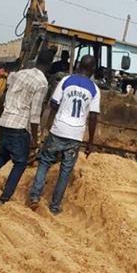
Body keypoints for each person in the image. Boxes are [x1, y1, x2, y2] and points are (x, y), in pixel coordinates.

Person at [0, 51, 49, 205]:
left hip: (5, 121)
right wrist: (35, 139)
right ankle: (4, 199)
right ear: (48, 66)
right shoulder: (42, 83)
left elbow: (6, 93)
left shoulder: (19, 74)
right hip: (19, 126)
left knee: (3, 155)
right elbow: (34, 114)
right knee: (20, 163)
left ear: (36, 61)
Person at [29, 55, 100, 215]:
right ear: (93, 69)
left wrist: (47, 127)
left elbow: (53, 105)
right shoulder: (95, 90)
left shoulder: (66, 81)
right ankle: (54, 207)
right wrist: (90, 142)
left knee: (45, 162)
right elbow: (94, 116)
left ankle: (34, 197)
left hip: (58, 129)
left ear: (78, 65)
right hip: (75, 135)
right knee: (65, 171)